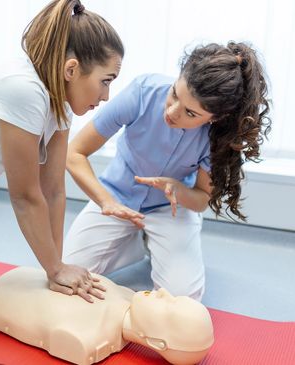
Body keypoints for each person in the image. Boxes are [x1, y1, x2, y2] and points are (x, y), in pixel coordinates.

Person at [0, 0, 124, 305]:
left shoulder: (59, 102)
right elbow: (25, 196)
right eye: (105, 81)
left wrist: (56, 272)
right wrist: (56, 268)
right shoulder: (22, 88)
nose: (106, 96)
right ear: (71, 69)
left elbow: (53, 190)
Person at [64, 42, 272, 301]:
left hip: (170, 208)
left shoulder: (218, 137)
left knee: (183, 299)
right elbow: (74, 153)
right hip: (116, 196)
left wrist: (178, 189)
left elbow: (200, 199)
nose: (172, 112)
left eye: (190, 112)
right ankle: (135, 244)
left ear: (215, 118)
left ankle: (152, 240)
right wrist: (106, 202)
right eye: (175, 94)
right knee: (69, 273)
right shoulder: (143, 92)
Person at [0, 267, 214, 365]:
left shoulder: (87, 339)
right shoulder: (124, 295)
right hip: (13, 284)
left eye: (168, 306)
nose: (162, 292)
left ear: (156, 342)